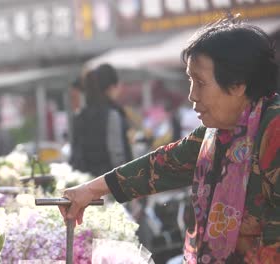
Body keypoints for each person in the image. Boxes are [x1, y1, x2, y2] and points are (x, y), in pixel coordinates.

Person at [60, 16, 279, 263]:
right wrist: (89, 190)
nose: (192, 95)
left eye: (200, 83)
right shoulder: (220, 131)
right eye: (190, 81)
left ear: (238, 85)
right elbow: (164, 163)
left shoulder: (274, 130)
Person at [69, 64, 133, 176]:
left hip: (85, 183)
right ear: (111, 88)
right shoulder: (112, 115)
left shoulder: (80, 115)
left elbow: (76, 153)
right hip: (108, 184)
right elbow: (117, 156)